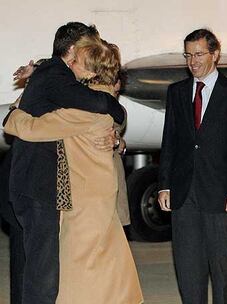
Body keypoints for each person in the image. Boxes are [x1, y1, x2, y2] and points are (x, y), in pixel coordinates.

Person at [4, 37, 143, 304]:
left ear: (90, 70)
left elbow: (28, 128)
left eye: (75, 60)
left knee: (79, 265)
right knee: (102, 258)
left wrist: (15, 110)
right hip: (96, 191)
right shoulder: (99, 101)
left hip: (84, 197)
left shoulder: (81, 111)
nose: (70, 62)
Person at [157, 28, 227, 304]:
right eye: (188, 55)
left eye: (199, 54)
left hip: (221, 193)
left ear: (216, 54)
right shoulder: (175, 92)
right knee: (188, 268)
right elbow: (170, 142)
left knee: (223, 268)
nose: (193, 61)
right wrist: (164, 184)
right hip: (183, 192)